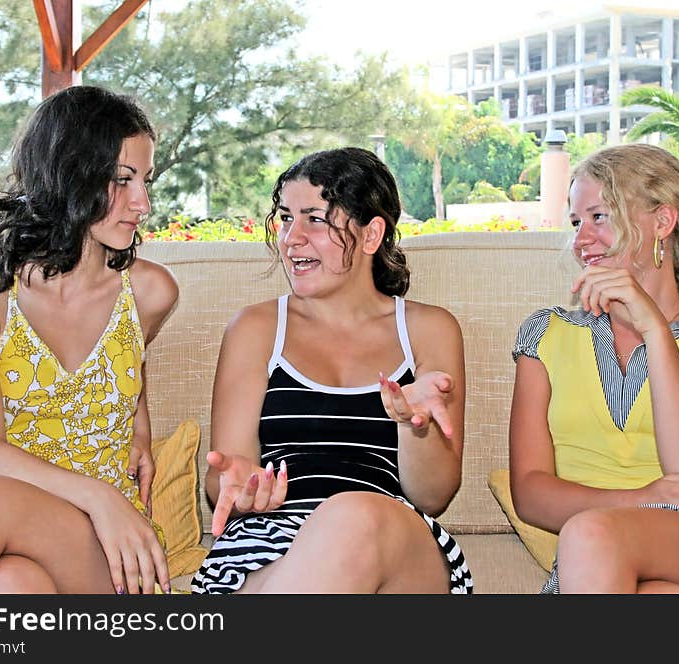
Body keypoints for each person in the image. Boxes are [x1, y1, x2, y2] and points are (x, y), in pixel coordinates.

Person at [0, 85, 178, 594]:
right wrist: (100, 495)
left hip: (109, 553)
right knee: (13, 584)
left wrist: (136, 438)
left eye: (145, 179)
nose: (143, 202)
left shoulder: (149, 290)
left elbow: (129, 370)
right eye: (123, 180)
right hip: (25, 535)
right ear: (68, 174)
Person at [191, 147, 473, 593]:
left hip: (394, 546)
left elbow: (433, 496)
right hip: (271, 545)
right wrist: (241, 487)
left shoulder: (429, 329)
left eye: (315, 219)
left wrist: (413, 426)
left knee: (353, 514)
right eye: (285, 218)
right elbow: (225, 475)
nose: (291, 238)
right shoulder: (257, 328)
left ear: (371, 234)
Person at [509, 143, 679, 593]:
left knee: (590, 531)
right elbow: (531, 494)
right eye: (576, 222)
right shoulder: (545, 337)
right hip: (595, 564)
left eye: (599, 217)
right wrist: (642, 499)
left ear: (662, 222)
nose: (580, 240)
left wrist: (657, 331)